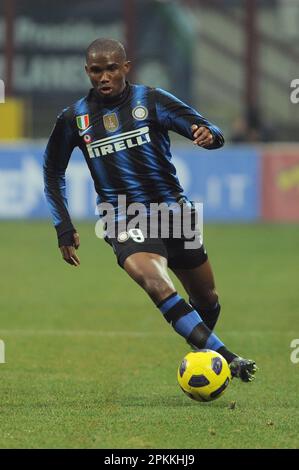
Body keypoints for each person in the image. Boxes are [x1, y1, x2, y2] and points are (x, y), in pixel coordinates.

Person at [43, 38, 257, 382]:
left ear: (126, 67)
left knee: (207, 298)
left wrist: (207, 136)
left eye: (112, 68)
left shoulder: (152, 100)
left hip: (174, 213)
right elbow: (52, 172)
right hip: (122, 216)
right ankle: (228, 358)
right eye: (96, 70)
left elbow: (210, 130)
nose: (104, 77)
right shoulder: (74, 118)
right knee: (156, 283)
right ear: (87, 72)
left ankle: (201, 354)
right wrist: (62, 226)